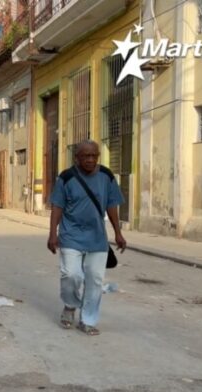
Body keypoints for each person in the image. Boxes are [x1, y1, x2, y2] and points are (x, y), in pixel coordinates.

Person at [47, 140, 127, 336]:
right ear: (77, 158)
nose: (90, 160)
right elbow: (57, 207)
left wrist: (118, 232)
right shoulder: (66, 178)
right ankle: (70, 304)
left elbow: (112, 206)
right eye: (86, 156)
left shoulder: (106, 176)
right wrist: (52, 234)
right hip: (71, 234)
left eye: (94, 156)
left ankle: (88, 320)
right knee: (71, 275)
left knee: (95, 280)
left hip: (97, 237)